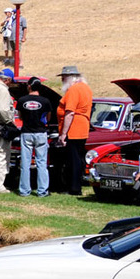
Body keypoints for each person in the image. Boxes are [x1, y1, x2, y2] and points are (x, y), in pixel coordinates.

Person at [56, 66, 92, 195]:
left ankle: (74, 188)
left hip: (74, 128)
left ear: (70, 78)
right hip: (82, 127)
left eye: (63, 78)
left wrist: (63, 133)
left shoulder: (74, 90)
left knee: (73, 160)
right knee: (78, 158)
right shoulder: (85, 88)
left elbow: (69, 112)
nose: (62, 80)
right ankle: (76, 185)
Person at [16, 79, 53, 197]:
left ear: (29, 86)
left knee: (25, 163)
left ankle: (24, 190)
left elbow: (20, 117)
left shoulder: (22, 100)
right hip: (41, 133)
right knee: (42, 163)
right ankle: (42, 191)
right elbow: (48, 118)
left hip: (26, 133)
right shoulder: (46, 101)